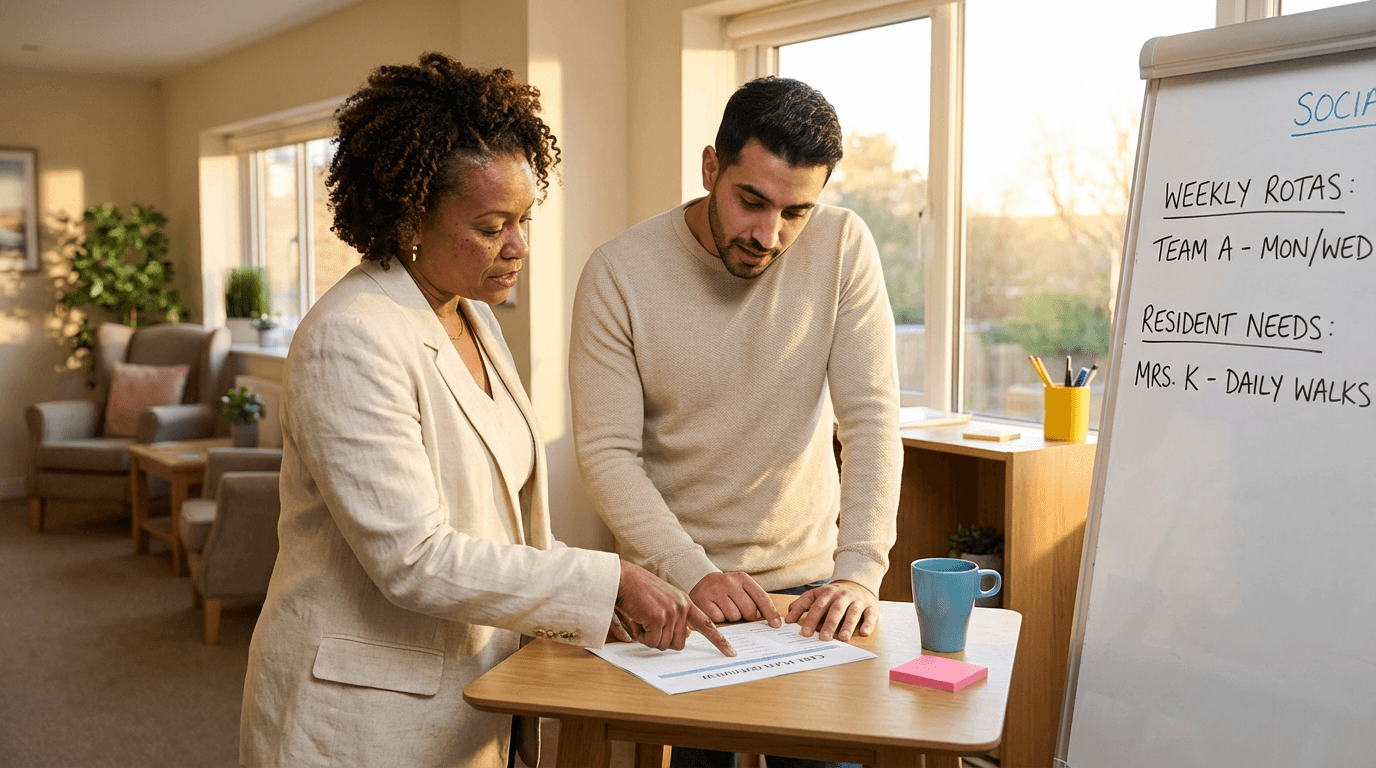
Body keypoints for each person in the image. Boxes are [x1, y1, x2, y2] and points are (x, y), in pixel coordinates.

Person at [240, 53, 730, 768]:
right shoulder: (351, 337)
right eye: (491, 225)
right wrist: (607, 580)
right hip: (359, 721)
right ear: (411, 216)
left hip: (472, 696)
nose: (518, 247)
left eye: (525, 219)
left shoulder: (473, 317)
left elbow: (503, 528)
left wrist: (602, 598)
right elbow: (414, 558)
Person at [569, 76, 902, 768]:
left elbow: (869, 419)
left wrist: (860, 573)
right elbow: (606, 454)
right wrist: (693, 573)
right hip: (679, 592)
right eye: (751, 201)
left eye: (796, 212)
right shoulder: (618, 273)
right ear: (710, 168)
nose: (768, 235)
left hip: (812, 590)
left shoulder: (843, 245)